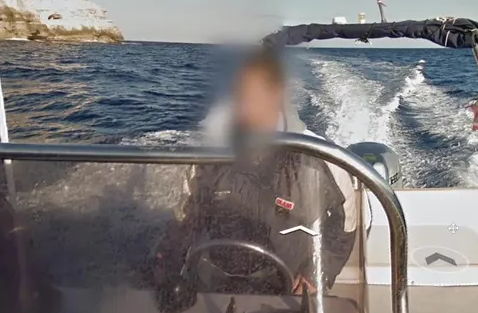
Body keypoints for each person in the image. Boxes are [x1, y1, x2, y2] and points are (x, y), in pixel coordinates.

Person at [147, 47, 358, 295]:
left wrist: (317, 273)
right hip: (214, 285)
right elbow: (186, 218)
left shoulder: (321, 158)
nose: (243, 107)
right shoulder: (210, 157)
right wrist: (166, 261)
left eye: (253, 96)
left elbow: (345, 226)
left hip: (288, 288)